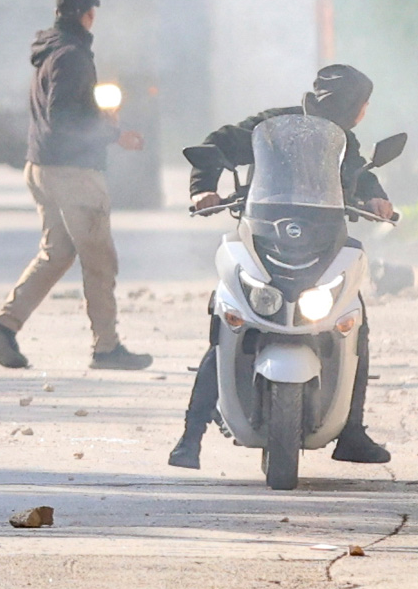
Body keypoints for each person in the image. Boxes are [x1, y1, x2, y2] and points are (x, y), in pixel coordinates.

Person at [167, 64, 394, 469]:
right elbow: (217, 144)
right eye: (362, 105)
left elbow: (360, 176)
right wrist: (204, 188)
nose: (362, 112)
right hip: (265, 238)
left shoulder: (345, 143)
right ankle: (190, 436)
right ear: (355, 107)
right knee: (230, 318)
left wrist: (378, 199)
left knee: (353, 318)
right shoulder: (272, 127)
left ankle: (352, 431)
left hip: (322, 242)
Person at [0, 0, 152, 372]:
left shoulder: (50, 52)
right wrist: (113, 134)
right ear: (85, 14)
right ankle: (107, 348)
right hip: (74, 173)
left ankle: (4, 326)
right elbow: (63, 117)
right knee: (100, 260)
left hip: (41, 167)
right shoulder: (73, 56)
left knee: (57, 253)